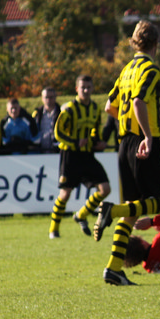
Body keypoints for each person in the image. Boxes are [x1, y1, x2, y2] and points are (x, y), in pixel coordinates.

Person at [93, 20, 160, 286]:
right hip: (144, 143)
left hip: (125, 144)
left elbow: (109, 106)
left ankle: (113, 269)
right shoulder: (151, 69)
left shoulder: (127, 70)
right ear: (156, 44)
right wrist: (147, 136)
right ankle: (112, 210)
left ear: (134, 43)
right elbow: (139, 101)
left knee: (132, 212)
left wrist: (129, 125)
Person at [48, 75, 110, 238]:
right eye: (83, 87)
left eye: (88, 87)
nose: (86, 90)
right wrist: (75, 142)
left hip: (87, 155)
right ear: (77, 89)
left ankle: (81, 215)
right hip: (70, 155)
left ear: (93, 88)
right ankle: (54, 229)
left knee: (105, 189)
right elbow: (58, 132)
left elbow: (95, 130)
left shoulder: (95, 108)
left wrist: (98, 142)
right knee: (65, 194)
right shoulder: (69, 108)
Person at [32, 88, 61, 153]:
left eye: (51, 97)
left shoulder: (61, 113)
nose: (48, 100)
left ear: (55, 97)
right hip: (40, 151)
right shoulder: (37, 114)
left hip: (57, 152)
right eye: (46, 97)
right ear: (42, 98)